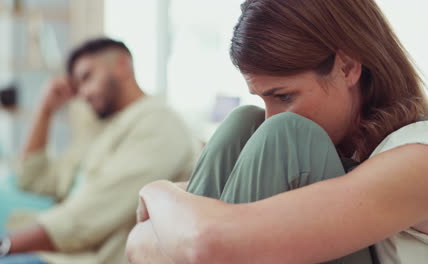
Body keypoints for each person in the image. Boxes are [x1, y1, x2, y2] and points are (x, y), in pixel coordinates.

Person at [125, 0, 428, 263]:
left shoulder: (418, 157)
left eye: (284, 96)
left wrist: (158, 191)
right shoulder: (339, 153)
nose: (271, 115)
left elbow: (204, 245)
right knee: (244, 121)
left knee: (284, 134)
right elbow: (137, 247)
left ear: (347, 67)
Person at [0, 38, 197, 264]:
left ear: (122, 65)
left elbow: (89, 216)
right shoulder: (102, 129)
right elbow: (31, 178)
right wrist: (45, 110)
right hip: (60, 250)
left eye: (87, 77)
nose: (83, 93)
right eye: (78, 85)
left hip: (88, 258)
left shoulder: (159, 124)